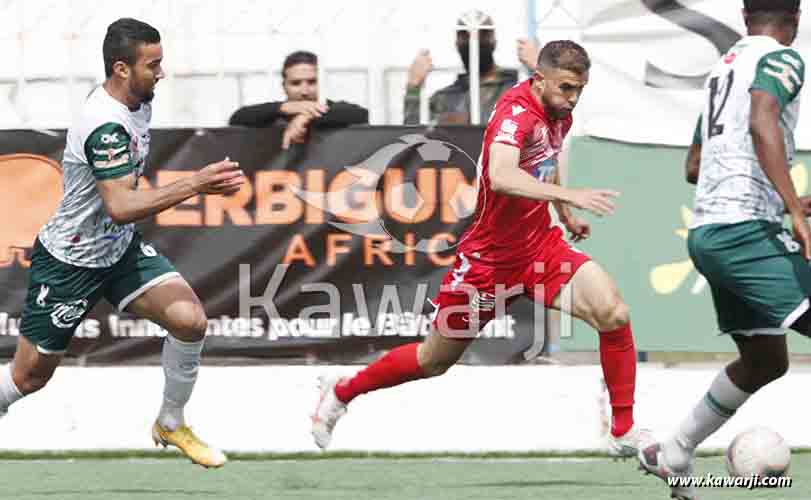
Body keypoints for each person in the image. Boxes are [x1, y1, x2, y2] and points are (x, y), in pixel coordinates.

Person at [312, 40, 648, 457]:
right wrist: (570, 193)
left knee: (613, 313)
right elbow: (502, 175)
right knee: (433, 360)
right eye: (566, 88)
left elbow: (547, 154)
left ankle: (621, 427)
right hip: (488, 262)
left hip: (540, 247)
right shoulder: (515, 114)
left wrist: (561, 211)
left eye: (580, 88)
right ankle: (342, 391)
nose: (573, 97)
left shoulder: (558, 107)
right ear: (540, 80)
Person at [0, 18, 244, 468]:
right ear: (121, 69)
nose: (162, 73)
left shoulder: (136, 100)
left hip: (117, 250)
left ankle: (171, 422)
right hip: (71, 262)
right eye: (153, 65)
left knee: (190, 321)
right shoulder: (105, 125)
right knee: (28, 378)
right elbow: (120, 205)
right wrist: (197, 183)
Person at [638, 2, 807, 498]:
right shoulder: (781, 58)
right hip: (742, 230)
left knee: (764, 360)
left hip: (711, 232)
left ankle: (672, 453)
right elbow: (762, 120)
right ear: (794, 19)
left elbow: (695, 164)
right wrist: (793, 209)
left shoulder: (723, 69)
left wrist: (783, 200)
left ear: (743, 13)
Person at [229, 51, 368, 149]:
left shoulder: (337, 110)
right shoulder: (273, 114)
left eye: (312, 82)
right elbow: (237, 118)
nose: (304, 91)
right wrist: (282, 108)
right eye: (296, 83)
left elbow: (362, 114)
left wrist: (305, 116)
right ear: (284, 86)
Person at [403, 10, 519, 125]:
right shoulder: (446, 98)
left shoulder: (518, 90)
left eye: (483, 34)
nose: (474, 41)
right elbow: (413, 135)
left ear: (494, 40)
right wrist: (414, 87)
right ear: (457, 43)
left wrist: (536, 67)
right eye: (464, 35)